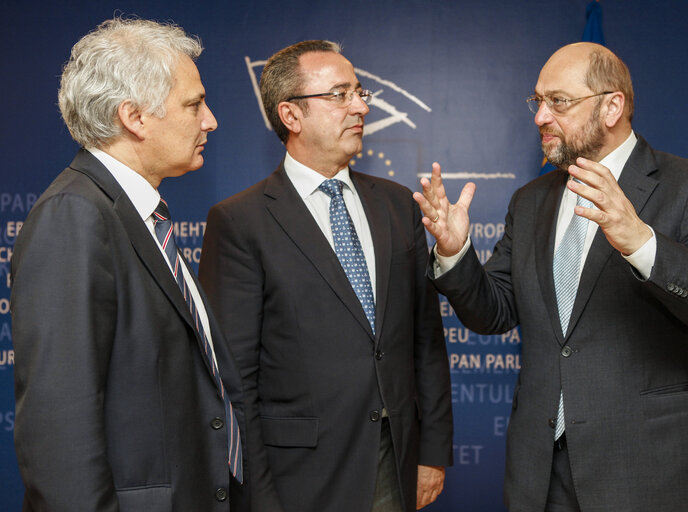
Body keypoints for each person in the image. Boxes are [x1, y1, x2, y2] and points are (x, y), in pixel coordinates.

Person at [414, 42, 688, 512]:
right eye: (538, 101)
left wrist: (640, 241)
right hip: (542, 476)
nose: (540, 117)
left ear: (612, 106)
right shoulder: (531, 200)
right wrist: (455, 256)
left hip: (652, 473)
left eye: (559, 101)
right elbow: (494, 310)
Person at [198, 40, 453, 512]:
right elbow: (235, 379)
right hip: (296, 477)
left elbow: (425, 339)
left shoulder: (398, 205)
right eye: (339, 95)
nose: (359, 107)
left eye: (359, 93)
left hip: (393, 464)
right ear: (291, 116)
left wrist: (432, 452)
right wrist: (257, 495)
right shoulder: (240, 222)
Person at [11, 18, 247, 512]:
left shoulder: (133, 213)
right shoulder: (74, 215)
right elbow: (59, 430)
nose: (211, 121)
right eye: (193, 104)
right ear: (134, 117)